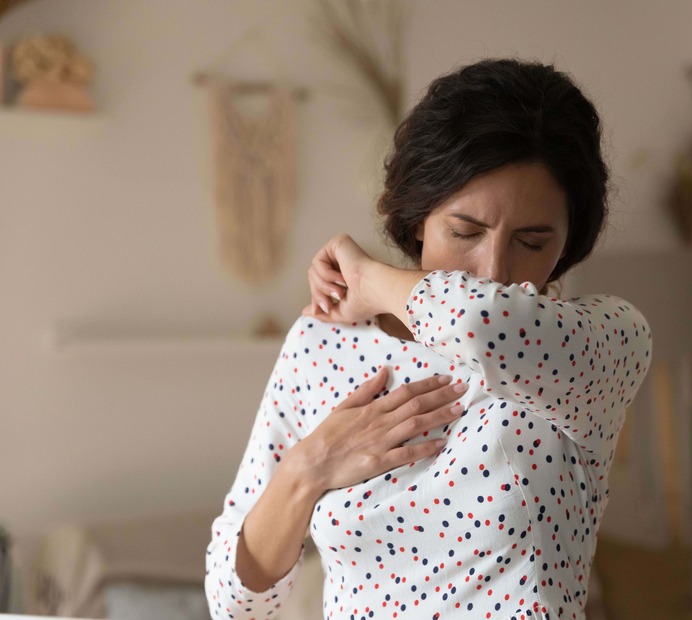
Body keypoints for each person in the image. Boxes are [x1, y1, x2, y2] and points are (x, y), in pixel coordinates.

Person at [206, 58, 652, 620]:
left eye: (533, 242)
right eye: (465, 232)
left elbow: (483, 324)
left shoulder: (598, 347)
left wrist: (370, 280)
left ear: (567, 243)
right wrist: (310, 466)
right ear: (418, 218)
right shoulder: (325, 344)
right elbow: (234, 602)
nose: (492, 271)